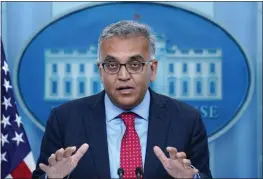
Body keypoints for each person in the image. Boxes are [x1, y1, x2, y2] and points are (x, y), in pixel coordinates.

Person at [32, 20, 212, 179]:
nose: (124, 75)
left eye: (135, 65)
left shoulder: (187, 120)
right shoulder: (64, 119)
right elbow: (42, 175)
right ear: (101, 71)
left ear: (153, 70)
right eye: (112, 65)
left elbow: (203, 175)